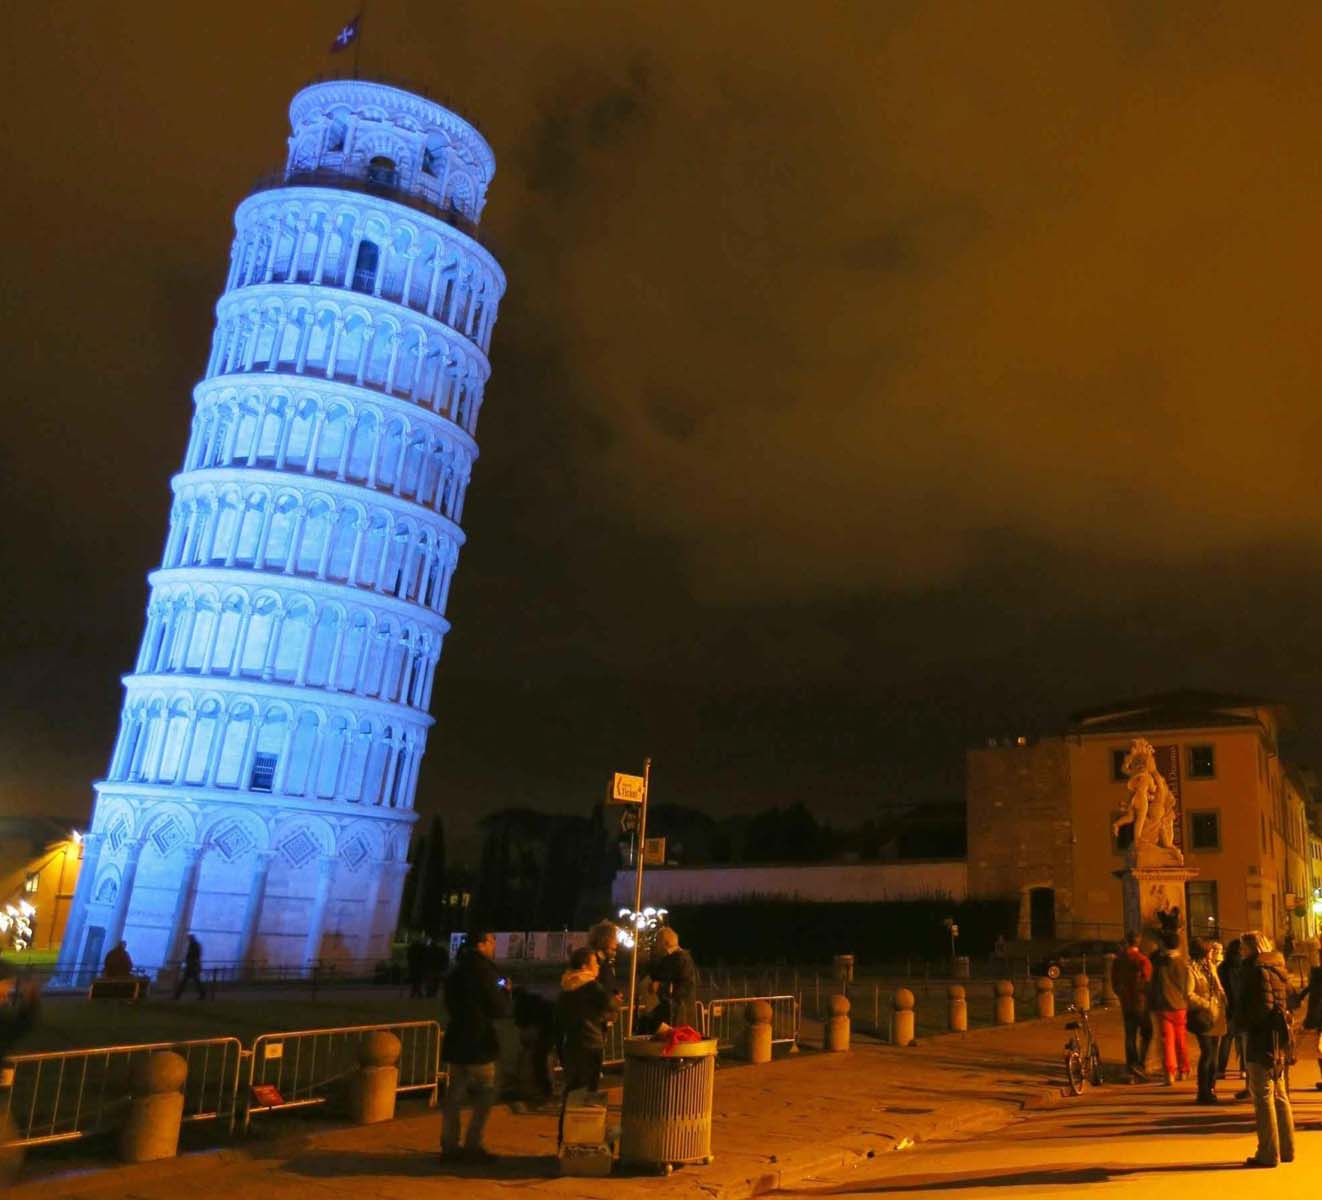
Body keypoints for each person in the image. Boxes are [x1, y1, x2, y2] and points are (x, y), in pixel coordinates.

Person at [439, 931, 509, 1163]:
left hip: (457, 1037)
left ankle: (450, 1144)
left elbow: (449, 1001)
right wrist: (506, 993)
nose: (494, 946)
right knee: (486, 1093)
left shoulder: (456, 971)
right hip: (479, 1041)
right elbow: (498, 1007)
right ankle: (473, 1143)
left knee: (455, 1095)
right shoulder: (486, 971)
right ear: (483, 943)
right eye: (492, 942)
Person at [1238, 930, 1295, 1168]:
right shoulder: (1278, 969)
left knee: (1263, 1097)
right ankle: (1287, 1148)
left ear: (1251, 948)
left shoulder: (1257, 971)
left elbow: (1261, 1008)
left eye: (1243, 947)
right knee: (1280, 1095)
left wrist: (1243, 1023)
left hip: (1261, 1039)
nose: (1241, 952)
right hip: (1278, 1039)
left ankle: (1268, 1152)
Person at [554, 946, 618, 1145]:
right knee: (587, 1094)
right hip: (590, 1044)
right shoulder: (590, 986)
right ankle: (583, 1140)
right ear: (585, 966)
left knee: (571, 1093)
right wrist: (614, 1001)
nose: (598, 966)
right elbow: (611, 1004)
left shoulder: (566, 986)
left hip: (570, 1045)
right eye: (594, 962)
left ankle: (565, 1138)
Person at [1147, 930, 1191, 1086]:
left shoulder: (1159, 963)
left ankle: (1170, 1072)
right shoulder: (1182, 963)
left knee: (1167, 1041)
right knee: (1181, 1040)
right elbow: (1186, 987)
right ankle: (1184, 1069)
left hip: (1163, 1006)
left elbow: (1153, 984)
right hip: (1180, 1006)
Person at [1186, 938, 1227, 1103]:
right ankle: (1203, 1091)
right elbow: (1188, 995)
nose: (1213, 954)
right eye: (1210, 951)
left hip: (1217, 1014)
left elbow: (1218, 989)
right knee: (1207, 1053)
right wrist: (1206, 1004)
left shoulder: (1211, 969)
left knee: (1214, 1054)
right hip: (1203, 1015)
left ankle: (1211, 1088)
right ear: (1203, 953)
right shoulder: (1191, 970)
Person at [1111, 931, 1153, 1082]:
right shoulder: (1142, 960)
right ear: (1138, 941)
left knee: (1130, 1035)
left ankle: (1131, 1063)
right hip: (1141, 1002)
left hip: (1126, 1002)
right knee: (1147, 1032)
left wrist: (1121, 994)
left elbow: (1114, 982)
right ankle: (1141, 1063)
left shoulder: (1118, 960)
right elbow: (1148, 982)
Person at [511, 985, 555, 1105]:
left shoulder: (523, 1006)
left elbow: (522, 1023)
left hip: (543, 1034)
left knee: (538, 1063)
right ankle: (545, 1091)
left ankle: (542, 1092)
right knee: (542, 1062)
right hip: (549, 1033)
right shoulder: (538, 1002)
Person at [649, 926, 698, 1030]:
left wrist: (660, 987)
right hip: (673, 1014)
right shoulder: (671, 958)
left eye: (657, 941)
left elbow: (684, 988)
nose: (655, 945)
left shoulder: (680, 958)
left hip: (678, 1016)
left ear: (665, 943)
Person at [1217, 936, 1246, 1081]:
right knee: (1242, 1039)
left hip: (1227, 1006)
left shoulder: (1222, 967)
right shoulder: (1244, 965)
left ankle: (1221, 1069)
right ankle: (1244, 1069)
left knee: (1226, 1038)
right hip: (1242, 1006)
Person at [1293, 963, 1322, 1092]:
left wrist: (1310, 1021)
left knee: (1320, 1051)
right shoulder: (1317, 977)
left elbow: (1314, 1002)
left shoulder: (1317, 977)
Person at [588, 920, 623, 1002]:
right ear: (605, 938)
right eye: (614, 938)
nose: (617, 942)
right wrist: (610, 997)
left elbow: (609, 983)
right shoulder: (593, 960)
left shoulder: (607, 960)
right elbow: (593, 988)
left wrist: (616, 992)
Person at [173, 933, 205, 1000]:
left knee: (188, 981)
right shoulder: (195, 945)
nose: (187, 940)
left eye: (188, 939)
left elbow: (193, 954)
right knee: (193, 981)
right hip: (192, 965)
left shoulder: (194, 945)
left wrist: (187, 960)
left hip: (192, 966)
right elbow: (196, 955)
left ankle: (177, 996)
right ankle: (202, 994)